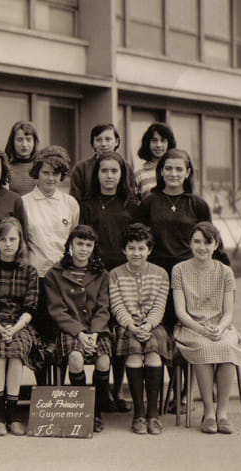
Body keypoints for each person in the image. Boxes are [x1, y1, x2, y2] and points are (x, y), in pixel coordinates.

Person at [137, 148, 215, 414]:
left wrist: (221, 274)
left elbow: (211, 241)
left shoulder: (197, 204)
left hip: (190, 275)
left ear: (187, 172)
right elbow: (138, 238)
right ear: (161, 171)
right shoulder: (149, 202)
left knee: (188, 331)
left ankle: (184, 394)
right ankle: (170, 388)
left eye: (179, 169)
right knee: (165, 333)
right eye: (168, 168)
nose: (173, 173)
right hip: (157, 275)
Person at [172, 222, 241, 435]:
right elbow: (181, 312)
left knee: (227, 347)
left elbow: (228, 312)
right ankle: (208, 412)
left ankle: (222, 412)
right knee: (203, 346)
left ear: (215, 245)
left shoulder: (225, 271)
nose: (202, 247)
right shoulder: (179, 270)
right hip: (190, 327)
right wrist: (200, 329)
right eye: (197, 242)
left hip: (220, 326)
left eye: (207, 242)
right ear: (190, 243)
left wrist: (220, 328)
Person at [80, 151, 139, 412]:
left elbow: (138, 240)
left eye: (114, 171)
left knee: (121, 332)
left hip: (124, 274)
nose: (109, 176)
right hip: (96, 275)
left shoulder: (132, 204)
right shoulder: (87, 205)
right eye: (104, 171)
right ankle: (99, 391)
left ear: (122, 174)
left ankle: (118, 390)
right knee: (102, 329)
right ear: (97, 174)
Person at [45, 224, 111, 433]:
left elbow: (103, 308)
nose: (83, 249)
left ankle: (96, 412)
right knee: (75, 358)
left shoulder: (102, 274)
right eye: (79, 244)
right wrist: (80, 333)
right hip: (70, 330)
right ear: (70, 246)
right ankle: (82, 411)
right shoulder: (55, 273)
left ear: (93, 248)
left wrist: (95, 333)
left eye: (88, 245)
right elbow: (57, 310)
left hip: (96, 329)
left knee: (104, 360)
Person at [0, 217, 38, 436]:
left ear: (20, 241)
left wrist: (15, 328)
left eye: (13, 239)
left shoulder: (29, 271)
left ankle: (13, 415)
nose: (8, 244)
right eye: (3, 239)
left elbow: (30, 307)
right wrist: (1, 329)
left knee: (16, 352)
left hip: (20, 323)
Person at [109, 223, 170, 435]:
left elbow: (159, 306)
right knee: (134, 353)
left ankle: (153, 414)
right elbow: (117, 306)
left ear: (149, 250)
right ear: (124, 250)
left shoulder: (161, 274)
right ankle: (139, 414)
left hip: (154, 325)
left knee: (153, 354)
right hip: (127, 325)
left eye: (142, 248)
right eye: (132, 248)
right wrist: (131, 326)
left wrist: (148, 324)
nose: (137, 253)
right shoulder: (115, 274)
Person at [23, 145, 79, 279]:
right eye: (46, 173)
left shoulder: (71, 204)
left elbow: (74, 241)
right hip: (35, 274)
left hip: (65, 274)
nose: (51, 178)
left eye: (55, 174)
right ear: (37, 173)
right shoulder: (23, 203)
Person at [69, 123, 137, 202]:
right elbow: (74, 200)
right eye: (98, 140)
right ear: (93, 143)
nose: (103, 144)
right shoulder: (81, 168)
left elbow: (131, 195)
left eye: (108, 139)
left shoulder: (126, 166)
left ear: (116, 142)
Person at [134, 122, 176, 198]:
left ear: (169, 143)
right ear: (147, 143)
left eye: (163, 140)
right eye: (154, 140)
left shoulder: (176, 171)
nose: (158, 145)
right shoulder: (138, 174)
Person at [4, 120, 40, 196]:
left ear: (34, 142)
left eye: (28, 139)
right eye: (20, 140)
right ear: (13, 142)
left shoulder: (40, 165)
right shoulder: (6, 165)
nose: (24, 144)